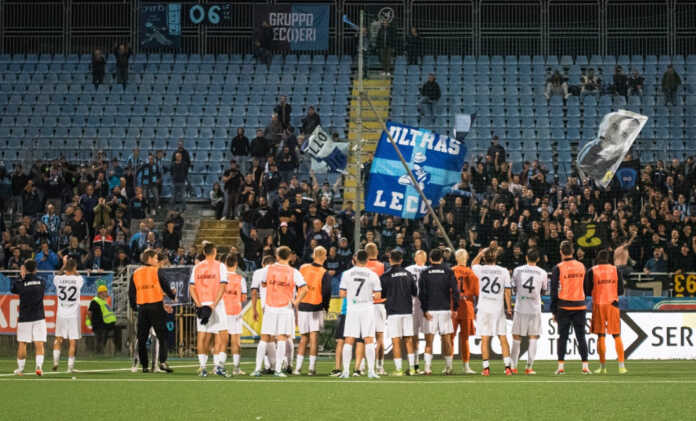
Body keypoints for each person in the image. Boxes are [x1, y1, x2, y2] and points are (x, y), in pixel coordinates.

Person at [251, 246, 307, 377]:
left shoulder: (268, 269)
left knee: (264, 338)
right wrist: (296, 301)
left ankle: (257, 369)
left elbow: (263, 284)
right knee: (282, 338)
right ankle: (278, 370)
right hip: (285, 308)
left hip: (270, 306)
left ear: (277, 256)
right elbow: (304, 289)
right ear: (289, 257)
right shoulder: (294, 272)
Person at [128, 249, 176, 373]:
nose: (156, 260)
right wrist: (172, 296)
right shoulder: (156, 271)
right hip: (156, 306)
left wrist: (134, 307)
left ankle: (144, 366)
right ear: (149, 259)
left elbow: (131, 292)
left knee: (142, 338)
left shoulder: (136, 273)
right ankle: (162, 362)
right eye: (155, 258)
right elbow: (165, 285)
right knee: (162, 335)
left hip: (143, 308)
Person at [338, 250, 382, 379]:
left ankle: (345, 371)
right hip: (367, 308)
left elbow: (341, 294)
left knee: (349, 340)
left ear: (355, 259)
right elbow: (378, 295)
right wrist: (368, 295)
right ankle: (371, 371)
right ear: (367, 260)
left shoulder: (346, 274)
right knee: (368, 339)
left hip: (352, 308)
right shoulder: (373, 274)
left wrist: (352, 295)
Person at [550, 240, 591, 375]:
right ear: (573, 251)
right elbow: (586, 287)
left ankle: (561, 367)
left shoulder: (558, 267)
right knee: (581, 337)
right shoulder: (581, 266)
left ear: (561, 252)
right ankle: (585, 367)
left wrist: (553, 310)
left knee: (562, 337)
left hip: (564, 306)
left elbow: (554, 290)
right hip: (580, 305)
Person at [470, 247, 512, 376]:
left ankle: (486, 368)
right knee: (502, 337)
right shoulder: (503, 271)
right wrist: (509, 307)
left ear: (484, 258)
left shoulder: (480, 269)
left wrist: (480, 254)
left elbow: (473, 264)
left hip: (483, 308)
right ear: (496, 258)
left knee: (485, 338)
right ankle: (507, 368)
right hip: (497, 308)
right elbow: (507, 290)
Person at [189, 242, 228, 377]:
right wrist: (213, 305)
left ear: (204, 253)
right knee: (221, 334)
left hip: (202, 303)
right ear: (215, 252)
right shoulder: (220, 266)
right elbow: (222, 286)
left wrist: (199, 304)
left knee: (202, 335)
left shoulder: (197, 267)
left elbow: (192, 287)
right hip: (216, 305)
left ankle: (203, 367)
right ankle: (218, 366)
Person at [585, 249, 627, 375]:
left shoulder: (592, 270)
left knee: (601, 335)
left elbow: (586, 290)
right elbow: (620, 290)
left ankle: (603, 367)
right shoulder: (616, 270)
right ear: (609, 259)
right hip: (613, 304)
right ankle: (621, 367)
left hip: (599, 304)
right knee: (616, 335)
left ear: (597, 258)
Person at [419, 248, 459, 375]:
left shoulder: (425, 273)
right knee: (446, 339)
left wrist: (424, 309)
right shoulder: (448, 271)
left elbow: (422, 293)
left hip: (430, 310)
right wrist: (455, 308)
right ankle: (449, 367)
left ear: (430, 259)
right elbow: (455, 291)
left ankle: (427, 368)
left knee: (429, 340)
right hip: (445, 309)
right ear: (442, 258)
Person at [294, 246, 331, 375]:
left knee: (303, 338)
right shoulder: (324, 272)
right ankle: (311, 368)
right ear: (324, 256)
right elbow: (326, 292)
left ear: (313, 255)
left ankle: (297, 368)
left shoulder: (303, 268)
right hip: (316, 307)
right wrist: (326, 307)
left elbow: (297, 285)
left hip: (303, 305)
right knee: (314, 337)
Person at [510, 248, 547, 375]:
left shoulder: (517, 270)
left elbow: (513, 288)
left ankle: (513, 366)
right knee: (533, 337)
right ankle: (529, 367)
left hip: (520, 307)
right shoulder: (542, 272)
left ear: (526, 257)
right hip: (534, 308)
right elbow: (544, 290)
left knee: (516, 336)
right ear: (538, 259)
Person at [381, 250, 418, 376]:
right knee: (409, 340)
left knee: (396, 341)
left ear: (390, 260)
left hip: (393, 311)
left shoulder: (385, 275)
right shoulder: (408, 274)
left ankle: (399, 370)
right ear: (401, 260)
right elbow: (414, 292)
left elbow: (382, 294)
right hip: (407, 310)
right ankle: (412, 368)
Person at [12, 259, 46, 376]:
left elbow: (14, 289)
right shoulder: (41, 282)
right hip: (39, 317)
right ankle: (39, 366)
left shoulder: (21, 283)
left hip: (24, 317)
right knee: (39, 343)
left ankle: (20, 369)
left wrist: (22, 276)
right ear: (35, 269)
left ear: (25, 269)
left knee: (23, 343)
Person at [451, 249, 479, 374]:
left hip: (453, 307)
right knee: (465, 338)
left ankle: (448, 365)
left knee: (449, 337)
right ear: (467, 258)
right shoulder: (471, 273)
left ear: (456, 258)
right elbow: (477, 292)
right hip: (467, 306)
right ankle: (466, 366)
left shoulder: (450, 271)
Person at [250, 255, 277, 373]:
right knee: (274, 338)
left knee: (265, 337)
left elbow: (254, 292)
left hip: (267, 307)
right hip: (282, 306)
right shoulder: (279, 271)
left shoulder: (258, 272)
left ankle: (259, 368)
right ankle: (274, 366)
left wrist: (254, 309)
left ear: (263, 263)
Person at [223, 253, 247, 376]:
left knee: (221, 340)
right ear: (236, 264)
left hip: (223, 312)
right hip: (235, 312)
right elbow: (243, 297)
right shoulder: (240, 279)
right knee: (235, 341)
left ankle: (219, 366)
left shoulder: (220, 278)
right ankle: (236, 368)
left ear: (225, 264)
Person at [364, 242, 386, 375]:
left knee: (365, 337)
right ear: (377, 252)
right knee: (380, 336)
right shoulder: (382, 266)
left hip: (365, 305)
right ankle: (380, 366)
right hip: (379, 304)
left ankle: (362, 366)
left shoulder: (362, 267)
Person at [405, 250, 428, 373]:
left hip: (418, 304)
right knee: (416, 335)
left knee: (419, 335)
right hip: (417, 304)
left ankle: (419, 364)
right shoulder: (428, 269)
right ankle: (416, 364)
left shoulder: (408, 269)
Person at [88, 285, 121, 355]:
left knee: (118, 329)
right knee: (102, 333)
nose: (106, 293)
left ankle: (118, 350)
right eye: (105, 292)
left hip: (107, 324)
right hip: (99, 324)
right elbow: (89, 312)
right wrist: (92, 322)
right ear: (100, 293)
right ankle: (99, 352)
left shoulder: (104, 301)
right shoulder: (95, 301)